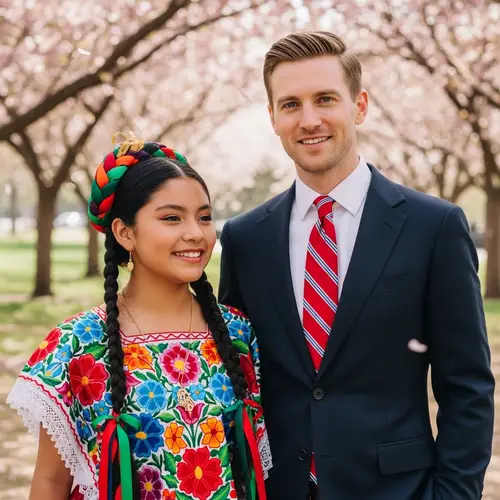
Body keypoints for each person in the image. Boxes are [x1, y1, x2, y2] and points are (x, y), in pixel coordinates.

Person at [218, 31, 494, 500]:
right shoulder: (246, 239)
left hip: (400, 489)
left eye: (325, 99)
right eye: (290, 105)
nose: (309, 120)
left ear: (359, 106)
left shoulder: (434, 226)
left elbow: (467, 384)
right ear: (273, 117)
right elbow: (235, 375)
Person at [7, 136, 271, 500]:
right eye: (171, 218)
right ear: (124, 232)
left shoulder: (238, 333)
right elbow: (51, 483)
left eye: (205, 217)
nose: (195, 233)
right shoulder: (76, 343)